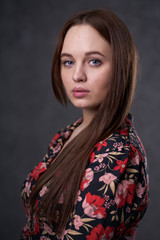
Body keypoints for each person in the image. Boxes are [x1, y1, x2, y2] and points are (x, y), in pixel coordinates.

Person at [20, 9, 149, 240]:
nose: (77, 75)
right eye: (68, 62)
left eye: (94, 61)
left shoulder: (118, 154)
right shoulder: (66, 135)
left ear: (121, 66)